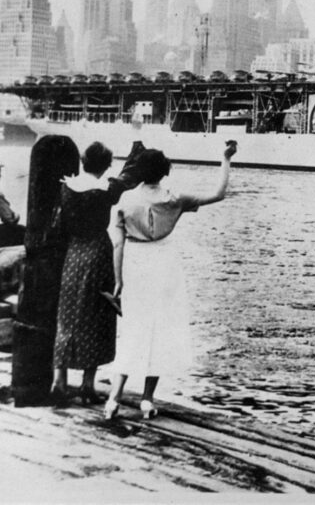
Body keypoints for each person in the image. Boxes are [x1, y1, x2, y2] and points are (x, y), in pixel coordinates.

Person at [103, 141, 237, 421]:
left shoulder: (125, 200)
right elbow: (218, 194)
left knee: (133, 329)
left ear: (138, 171)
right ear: (164, 172)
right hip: (165, 263)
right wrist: (225, 159)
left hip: (135, 263)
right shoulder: (174, 198)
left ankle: (114, 398)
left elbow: (118, 244)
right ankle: (147, 399)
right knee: (160, 330)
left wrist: (117, 280)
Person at [50, 142, 126, 406]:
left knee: (67, 314)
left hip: (73, 252)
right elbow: (120, 184)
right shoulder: (105, 190)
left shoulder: (67, 186)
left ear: (83, 162)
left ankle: (59, 380)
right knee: (95, 315)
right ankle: (87, 384)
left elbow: (59, 224)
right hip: (97, 251)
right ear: (105, 165)